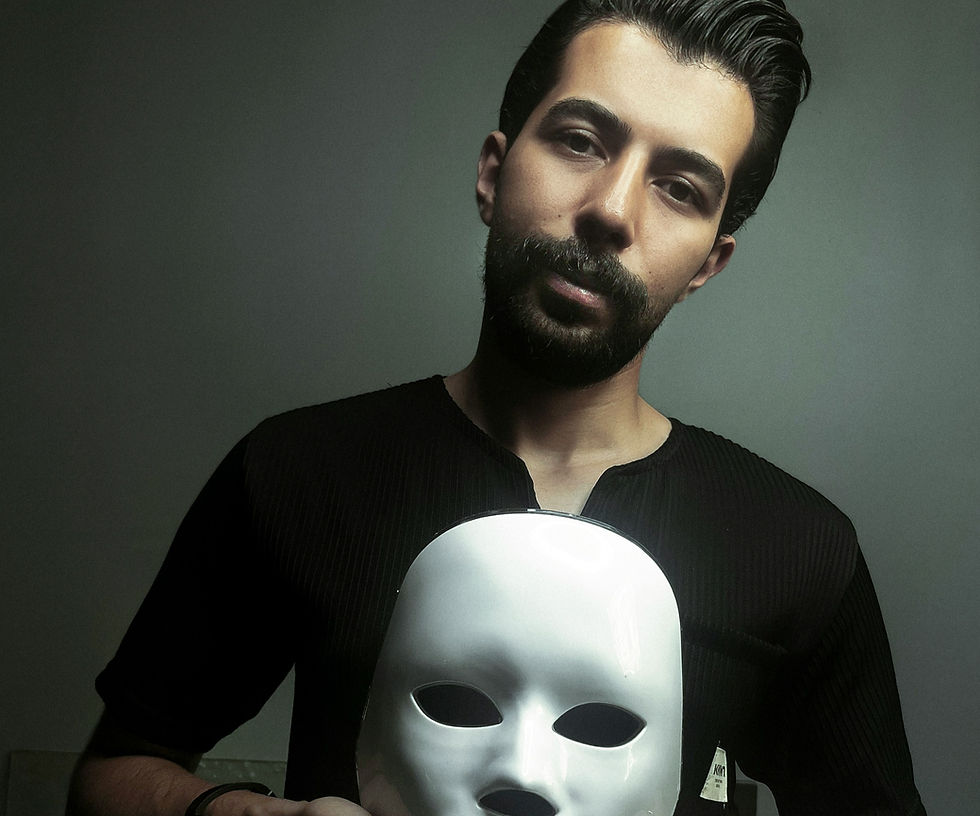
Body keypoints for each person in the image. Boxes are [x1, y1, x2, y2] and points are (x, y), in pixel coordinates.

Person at [67, 1, 926, 815]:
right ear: (492, 171)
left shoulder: (795, 549)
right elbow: (112, 772)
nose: (611, 211)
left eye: (680, 188)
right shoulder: (301, 470)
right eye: (582, 141)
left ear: (708, 263)